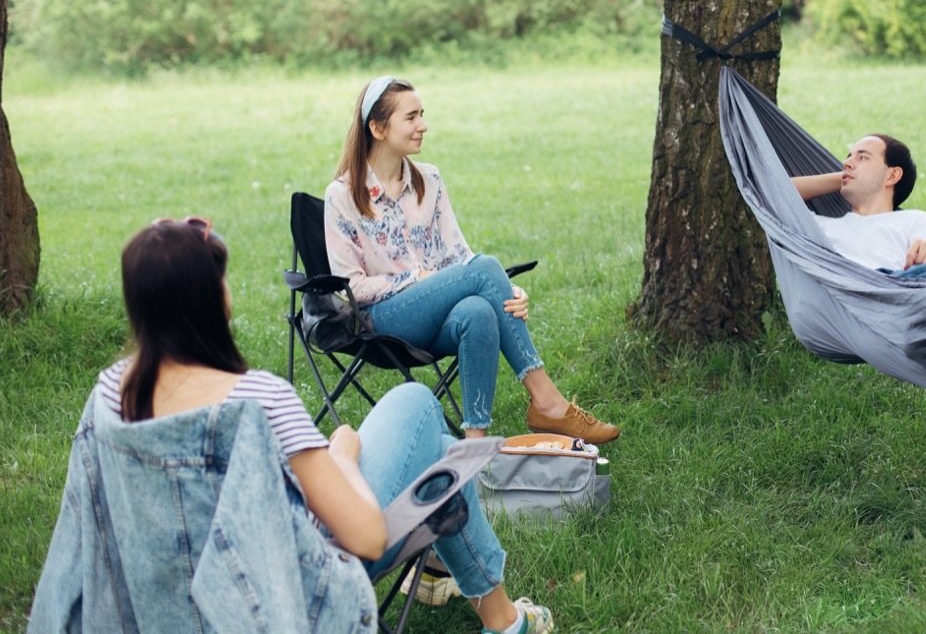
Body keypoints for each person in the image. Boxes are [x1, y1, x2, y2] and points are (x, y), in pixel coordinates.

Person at [30, 218, 553, 634]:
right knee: (418, 405)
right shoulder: (259, 400)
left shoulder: (110, 394)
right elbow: (367, 538)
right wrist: (342, 455)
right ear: (216, 300)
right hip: (293, 596)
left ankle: (501, 619)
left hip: (162, 602)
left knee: (441, 450)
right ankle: (505, 622)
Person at [325, 75, 619, 444]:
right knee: (482, 271)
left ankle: (474, 447)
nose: (423, 126)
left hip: (438, 315)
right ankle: (547, 401)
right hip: (382, 321)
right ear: (378, 128)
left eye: (422, 115)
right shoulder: (342, 196)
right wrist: (417, 279)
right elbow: (350, 288)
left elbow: (459, 257)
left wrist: (507, 293)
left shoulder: (429, 180)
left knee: (479, 311)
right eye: (411, 117)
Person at [792, 134, 926, 276]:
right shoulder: (821, 227)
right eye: (849, 157)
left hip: (897, 292)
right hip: (845, 292)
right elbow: (774, 189)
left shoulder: (913, 221)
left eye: (862, 157)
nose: (846, 163)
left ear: (892, 175)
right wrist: (845, 176)